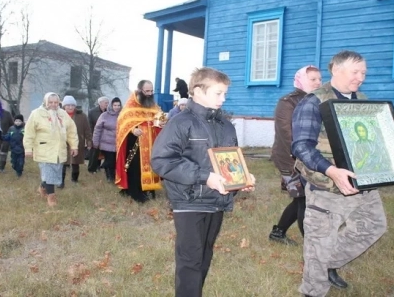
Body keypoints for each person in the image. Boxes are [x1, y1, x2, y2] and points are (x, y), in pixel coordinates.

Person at [151, 67, 256, 297]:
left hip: (216, 201)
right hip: (188, 201)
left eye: (225, 94)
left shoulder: (226, 125)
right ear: (198, 91)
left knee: (204, 257)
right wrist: (205, 177)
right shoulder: (181, 122)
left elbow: (229, 161)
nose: (223, 99)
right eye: (218, 93)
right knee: (190, 261)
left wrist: (240, 181)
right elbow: (161, 160)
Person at [291, 51, 387, 297]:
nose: (361, 77)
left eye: (363, 72)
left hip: (362, 182)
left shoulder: (362, 100)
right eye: (355, 72)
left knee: (373, 226)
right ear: (336, 70)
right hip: (327, 188)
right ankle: (313, 290)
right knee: (319, 244)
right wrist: (332, 171)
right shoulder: (313, 102)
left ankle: (328, 264)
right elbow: (301, 145)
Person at [269, 65, 322, 246]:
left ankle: (278, 232)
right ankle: (312, 248)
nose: (317, 82)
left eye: (319, 79)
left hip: (311, 158)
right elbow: (287, 133)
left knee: (300, 197)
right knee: (304, 200)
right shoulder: (288, 102)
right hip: (290, 159)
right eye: (312, 79)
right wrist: (306, 154)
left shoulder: (319, 100)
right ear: (300, 80)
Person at [24, 92, 78, 207]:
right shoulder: (36, 114)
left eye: (56, 102)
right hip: (44, 149)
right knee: (48, 173)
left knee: (53, 173)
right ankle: (51, 197)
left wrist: (74, 146)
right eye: (50, 102)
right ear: (45, 102)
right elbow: (29, 132)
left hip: (59, 150)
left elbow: (71, 131)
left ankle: (42, 187)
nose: (53, 104)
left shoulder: (62, 114)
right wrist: (28, 148)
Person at [115, 80, 165, 203]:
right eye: (147, 91)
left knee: (151, 166)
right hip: (135, 144)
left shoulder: (153, 106)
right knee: (135, 168)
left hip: (151, 143)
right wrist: (133, 129)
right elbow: (123, 122)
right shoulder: (130, 106)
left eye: (152, 91)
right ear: (139, 91)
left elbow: (160, 119)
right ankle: (135, 193)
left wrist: (162, 123)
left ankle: (149, 191)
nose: (150, 93)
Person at [59, 95, 92, 188]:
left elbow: (87, 129)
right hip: (63, 142)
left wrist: (89, 141)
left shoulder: (82, 116)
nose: (70, 107)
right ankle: (61, 182)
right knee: (63, 162)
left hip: (78, 142)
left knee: (75, 162)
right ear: (64, 106)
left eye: (72, 105)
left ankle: (74, 180)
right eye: (68, 105)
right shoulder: (59, 115)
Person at [93, 97, 121, 183]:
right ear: (111, 105)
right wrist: (95, 142)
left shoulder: (123, 115)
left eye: (118, 105)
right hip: (106, 143)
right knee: (110, 161)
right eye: (115, 105)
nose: (116, 107)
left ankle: (113, 176)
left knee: (115, 162)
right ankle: (110, 177)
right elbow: (97, 129)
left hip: (118, 143)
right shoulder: (104, 115)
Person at [88, 96, 109, 173]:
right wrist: (90, 136)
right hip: (95, 134)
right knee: (94, 153)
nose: (107, 104)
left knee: (103, 152)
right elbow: (90, 125)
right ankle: (92, 168)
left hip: (106, 135)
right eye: (105, 103)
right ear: (100, 103)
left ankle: (100, 167)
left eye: (107, 103)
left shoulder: (109, 112)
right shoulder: (92, 112)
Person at [0, 98, 14, 172]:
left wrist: (10, 134)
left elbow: (12, 125)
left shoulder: (7, 114)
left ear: (0, 105)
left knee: (3, 153)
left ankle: (1, 168)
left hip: (5, 136)